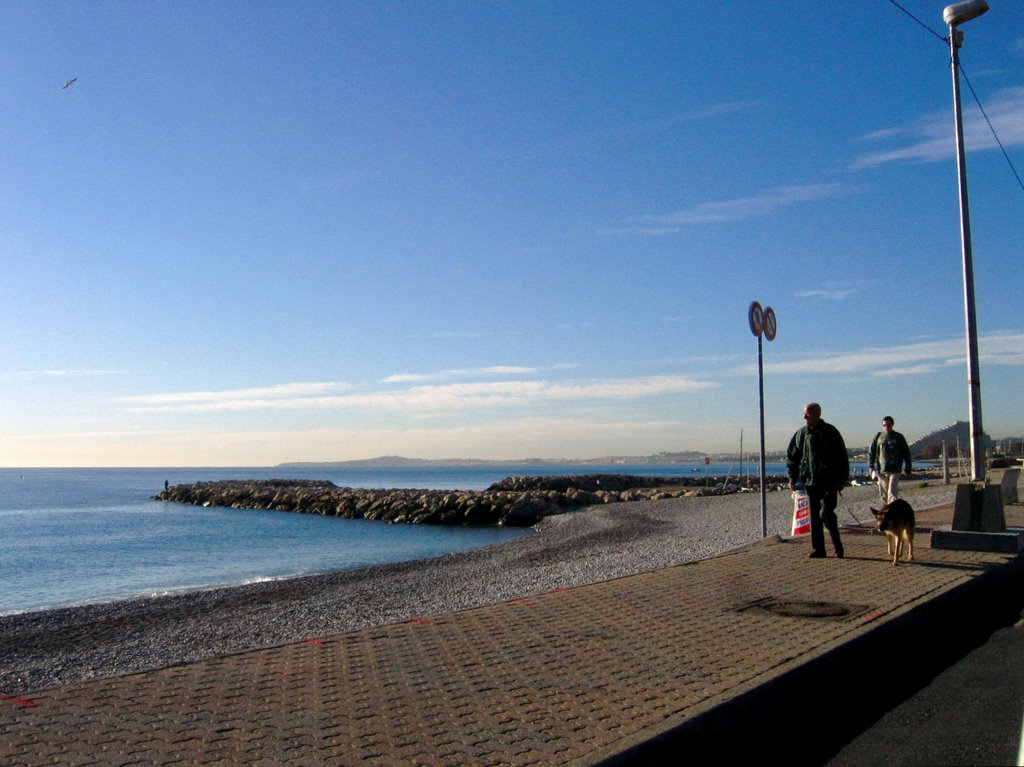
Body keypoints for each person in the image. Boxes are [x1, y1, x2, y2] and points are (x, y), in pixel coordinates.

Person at [787, 402, 850, 558]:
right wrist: (792, 478)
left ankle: (838, 545)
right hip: (810, 480)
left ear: (816, 414)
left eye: (807, 414)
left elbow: (842, 457)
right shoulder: (801, 434)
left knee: (826, 513)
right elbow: (792, 457)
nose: (804, 417)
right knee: (814, 517)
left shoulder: (830, 432)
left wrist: (841, 480)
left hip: (830, 481)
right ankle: (818, 549)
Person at [869, 416, 912, 505]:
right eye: (884, 425)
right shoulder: (878, 437)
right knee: (883, 494)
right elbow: (871, 452)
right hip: (881, 470)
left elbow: (906, 452)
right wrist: (871, 465)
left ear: (892, 425)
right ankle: (885, 511)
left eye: (888, 425)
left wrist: (908, 467)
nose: (886, 427)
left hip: (895, 469)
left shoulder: (899, 437)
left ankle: (892, 511)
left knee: (892, 491)